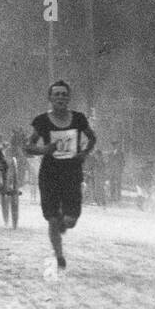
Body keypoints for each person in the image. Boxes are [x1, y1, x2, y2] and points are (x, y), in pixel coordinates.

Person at [26, 80, 96, 270]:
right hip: (49, 173)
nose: (60, 98)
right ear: (50, 98)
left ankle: (64, 223)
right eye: (56, 94)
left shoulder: (79, 119)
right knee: (52, 218)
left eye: (64, 94)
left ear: (68, 98)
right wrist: (45, 149)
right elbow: (29, 146)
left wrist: (84, 153)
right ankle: (59, 256)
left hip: (72, 172)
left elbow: (92, 138)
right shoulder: (42, 121)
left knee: (70, 220)